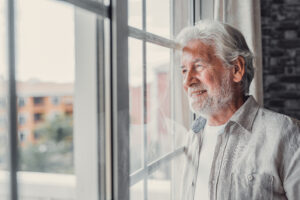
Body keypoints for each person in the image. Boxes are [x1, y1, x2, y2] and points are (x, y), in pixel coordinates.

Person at [176, 20, 300, 200]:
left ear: (236, 69)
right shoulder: (192, 138)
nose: (187, 82)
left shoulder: (286, 134)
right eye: (184, 70)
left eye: (199, 66)